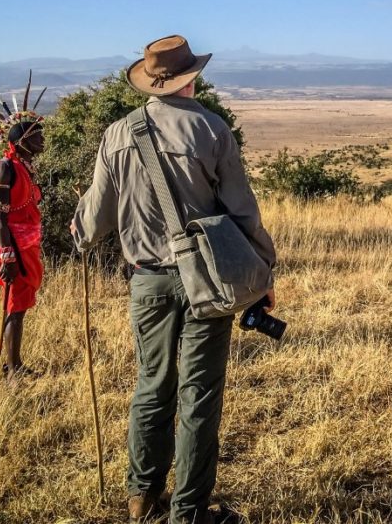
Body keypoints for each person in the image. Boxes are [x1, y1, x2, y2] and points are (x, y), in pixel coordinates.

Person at [72, 35, 277, 524]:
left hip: (146, 281)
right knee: (199, 395)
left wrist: (78, 233)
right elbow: (243, 213)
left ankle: (140, 499)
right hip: (209, 280)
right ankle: (189, 512)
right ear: (192, 77)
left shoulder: (117, 134)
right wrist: (263, 270)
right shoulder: (211, 130)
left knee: (151, 386)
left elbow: (94, 218)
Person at [0, 87, 46, 383]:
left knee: (18, 306)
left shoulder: (23, 167)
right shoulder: (4, 169)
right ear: (22, 140)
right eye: (37, 135)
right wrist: (7, 256)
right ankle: (13, 369)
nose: (43, 140)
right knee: (14, 307)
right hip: (10, 248)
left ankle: (14, 364)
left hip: (23, 246)